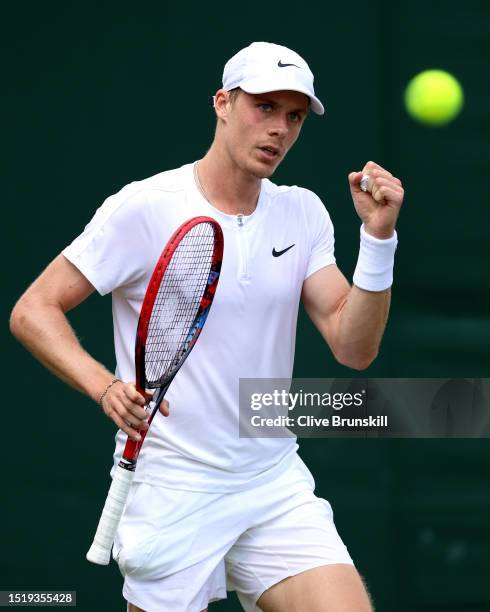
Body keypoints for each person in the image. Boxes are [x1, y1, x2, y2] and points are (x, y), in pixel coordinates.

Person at [10, 41, 404, 611]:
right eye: (263, 106)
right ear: (222, 102)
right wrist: (104, 387)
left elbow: (355, 347)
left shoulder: (303, 212)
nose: (279, 130)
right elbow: (33, 310)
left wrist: (379, 239)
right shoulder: (144, 206)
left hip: (272, 484)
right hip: (174, 489)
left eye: (293, 116)